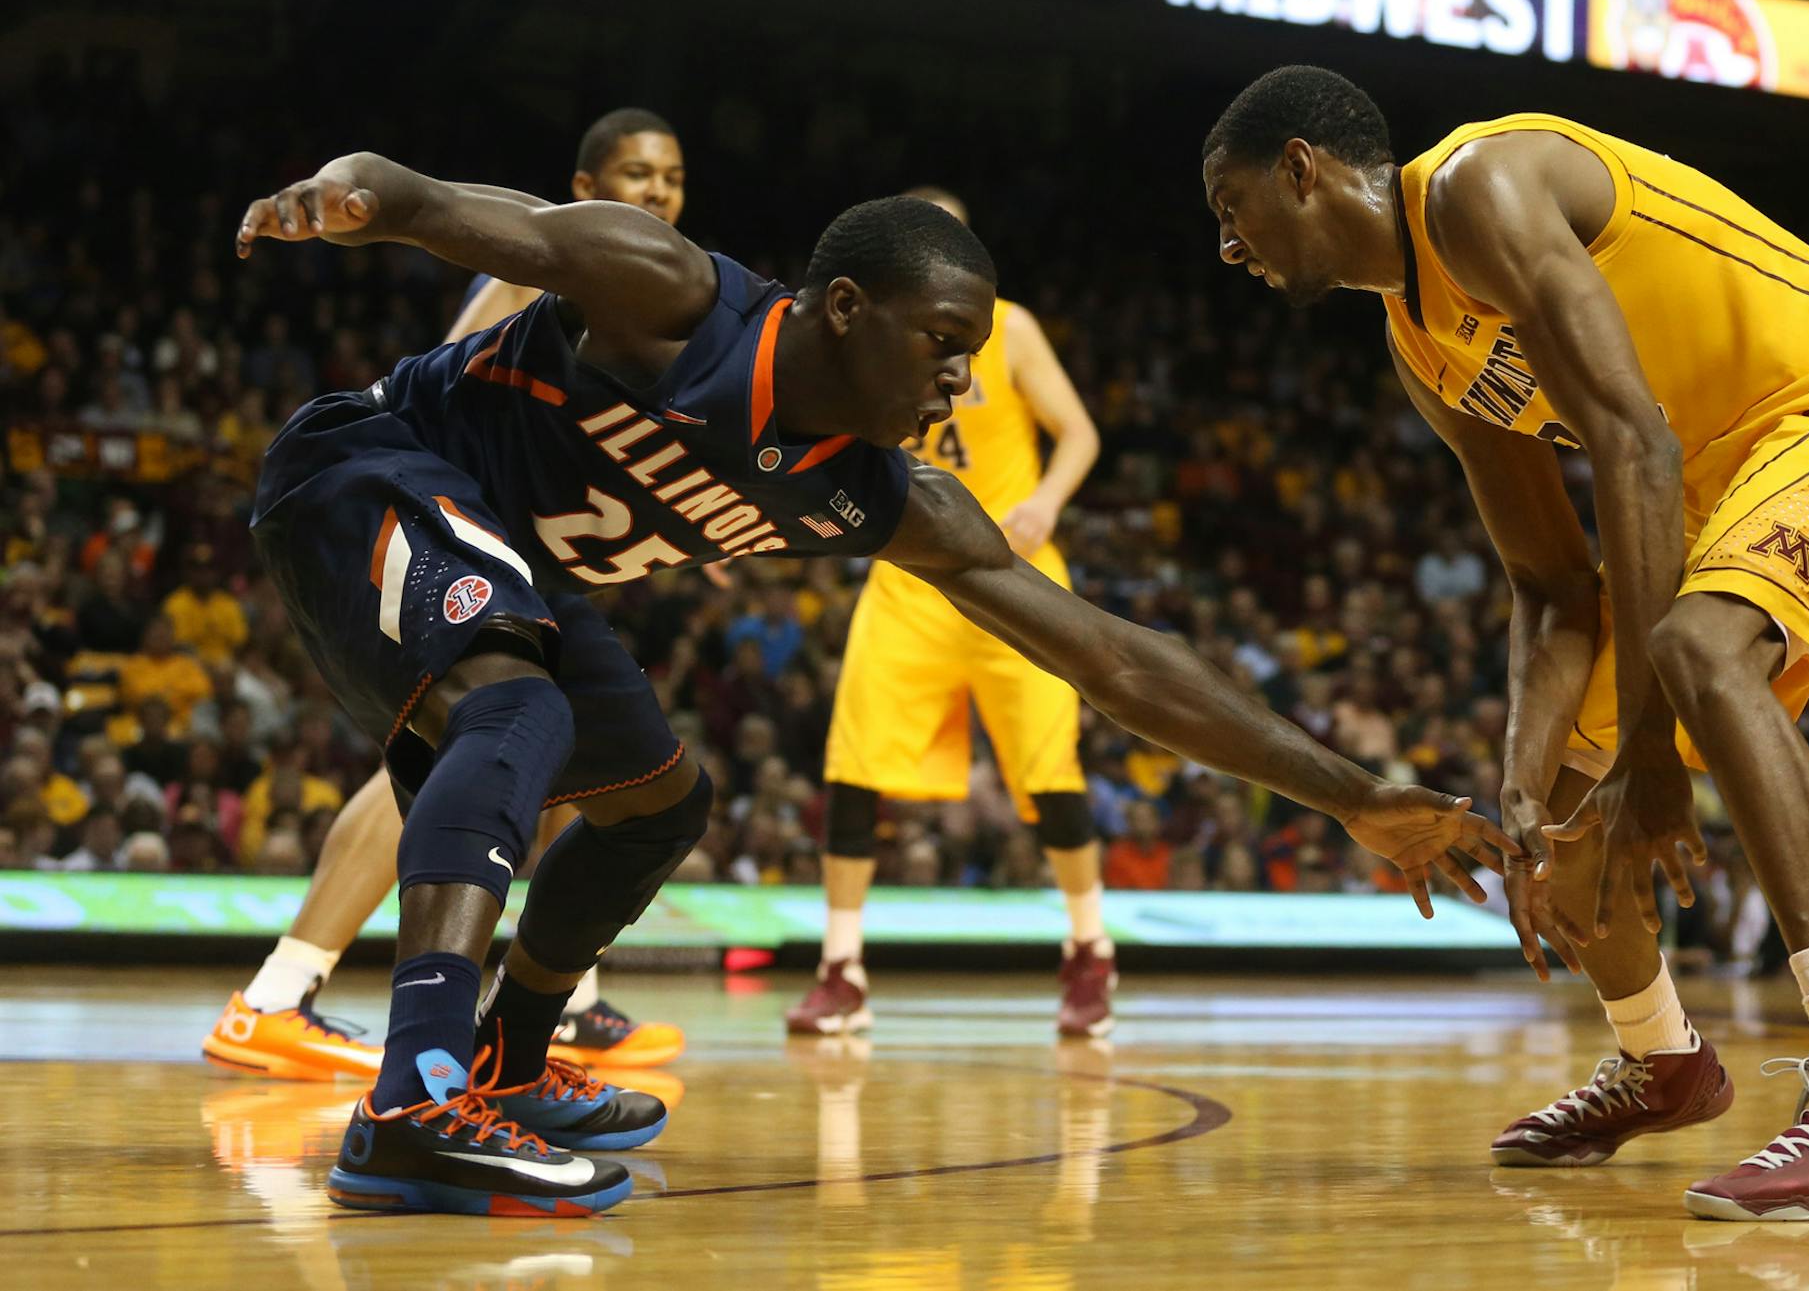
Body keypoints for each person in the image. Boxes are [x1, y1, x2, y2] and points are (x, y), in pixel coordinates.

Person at [231, 149, 1512, 1216]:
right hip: (368, 469)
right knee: (522, 708)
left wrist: (1349, 793)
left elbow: (1117, 659)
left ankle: (506, 1069)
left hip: (523, 560)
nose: (959, 380)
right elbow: (467, 214)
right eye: (943, 343)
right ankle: (413, 1098)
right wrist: (350, 197)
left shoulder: (887, 492)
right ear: (845, 307)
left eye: (974, 353)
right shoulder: (677, 295)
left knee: (660, 801)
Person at [1202, 66, 1809, 1221]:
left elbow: (1635, 445)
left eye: (1232, 210)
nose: (1229, 247)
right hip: (1705, 477)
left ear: (1301, 168)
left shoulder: (1477, 186)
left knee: (1701, 656)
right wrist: (1521, 787)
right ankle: (1662, 1057)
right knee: (1564, 833)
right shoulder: (1422, 352)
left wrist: (1647, 756)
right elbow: (1553, 584)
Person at [203, 109, 691, 1083]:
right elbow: (442, 402)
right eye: (637, 175)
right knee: (467, 749)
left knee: (555, 757)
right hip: (443, 523)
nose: (659, 193)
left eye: (673, 177)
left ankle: (569, 1003)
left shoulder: (646, 295)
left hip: (522, 547)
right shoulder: (541, 259)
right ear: (586, 190)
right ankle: (275, 996)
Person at [788, 187, 1114, 1039]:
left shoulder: (1013, 328)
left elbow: (1079, 432)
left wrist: (1045, 500)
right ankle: (841, 967)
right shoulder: (874, 336)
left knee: (1051, 776)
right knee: (852, 767)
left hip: (1013, 572)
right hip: (910, 578)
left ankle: (1091, 950)